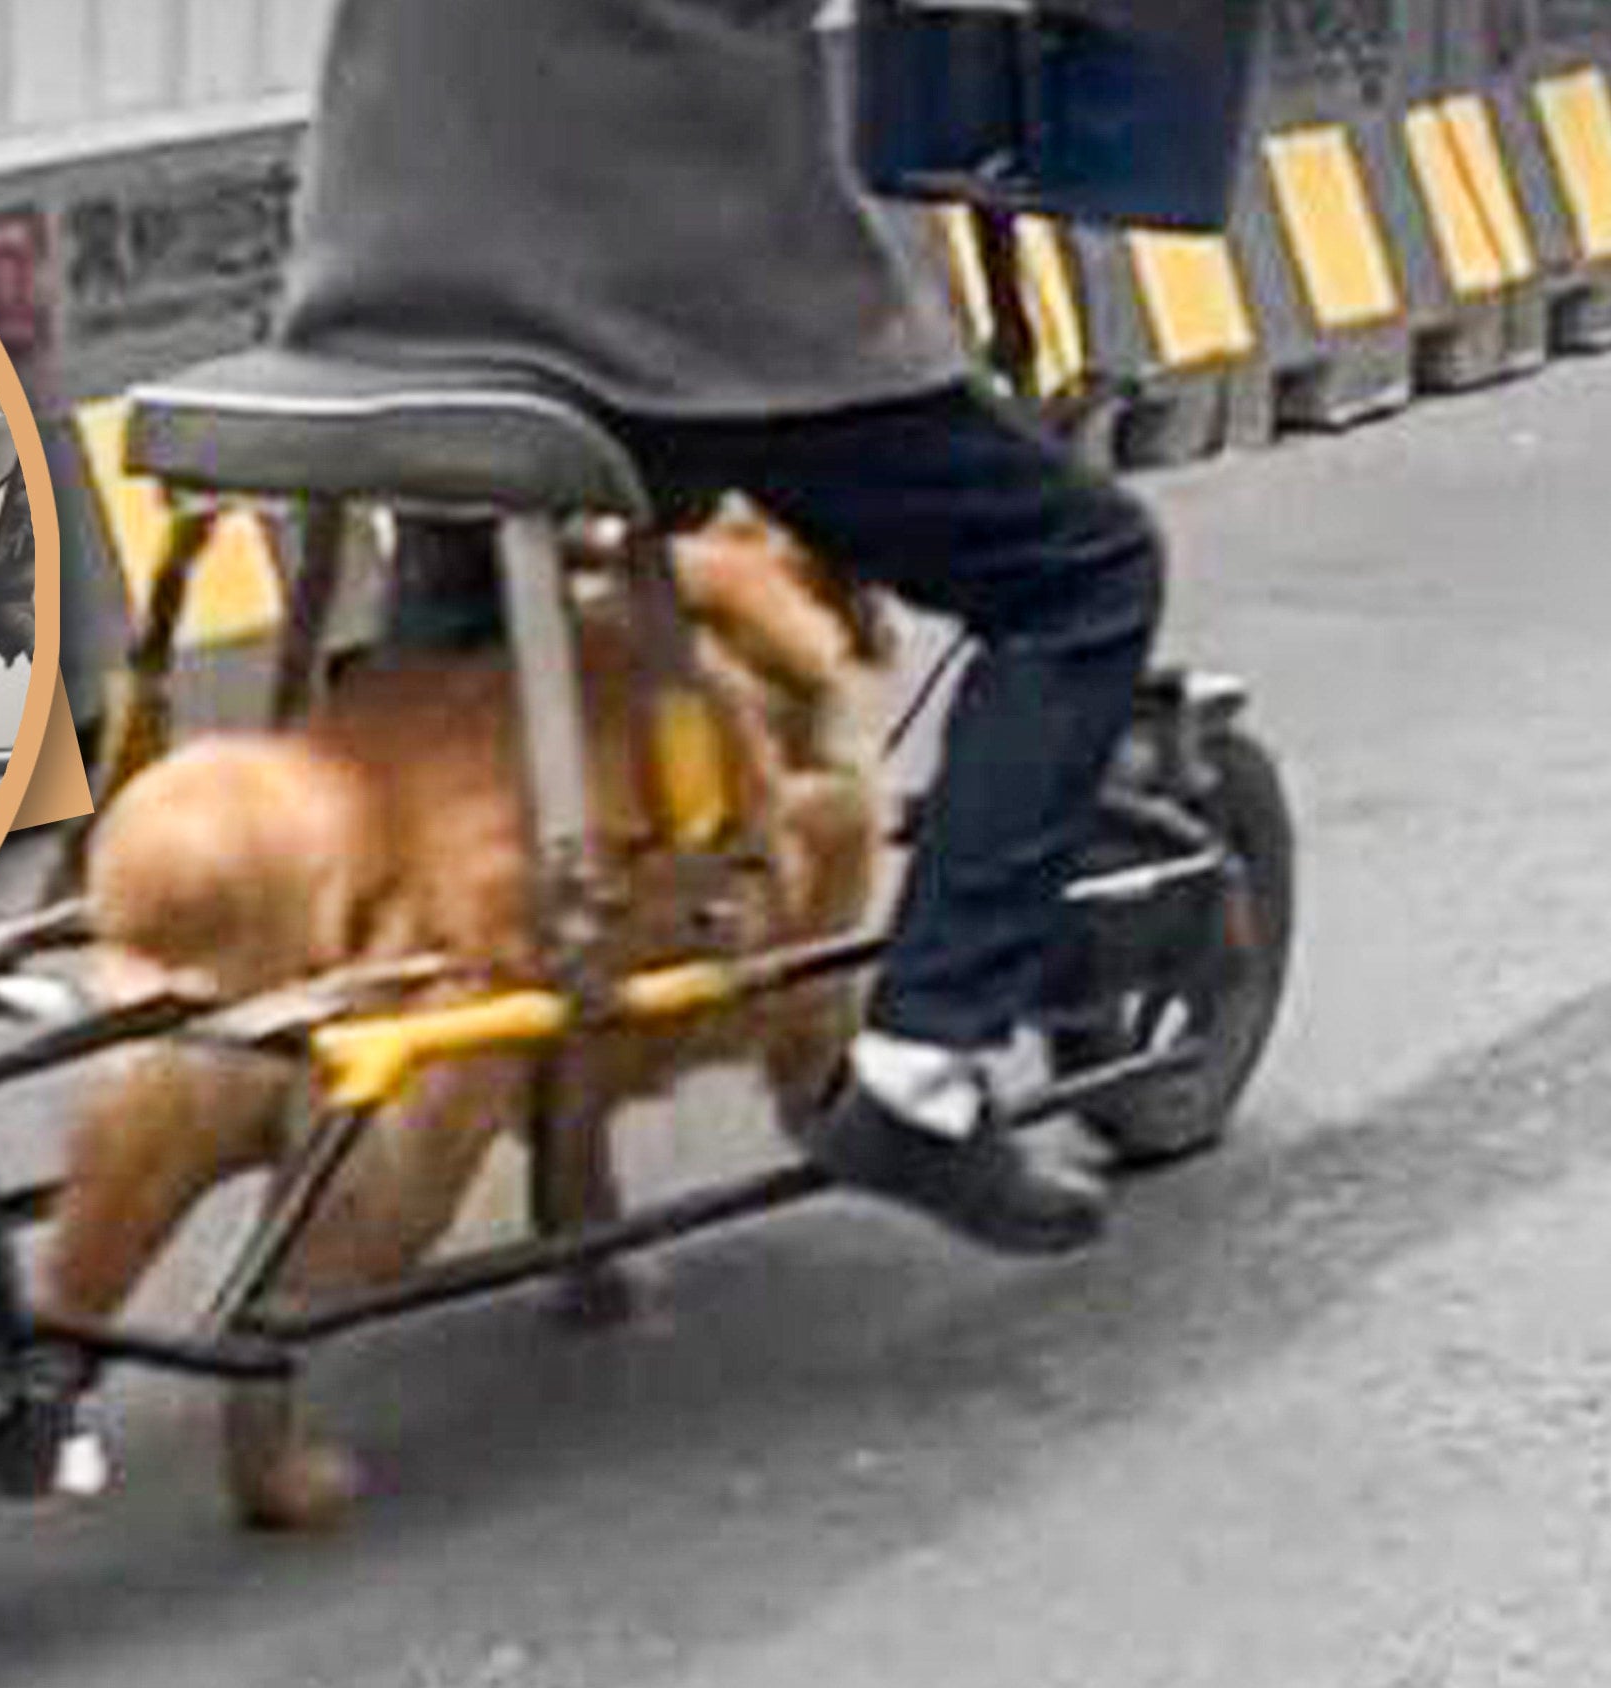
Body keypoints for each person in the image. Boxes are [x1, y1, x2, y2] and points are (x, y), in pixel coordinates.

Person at [277, 0, 1169, 1254]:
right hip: (667, 311)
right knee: (1084, 574)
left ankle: (377, 937)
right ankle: (921, 1075)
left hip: (378, 299)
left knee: (463, 660)